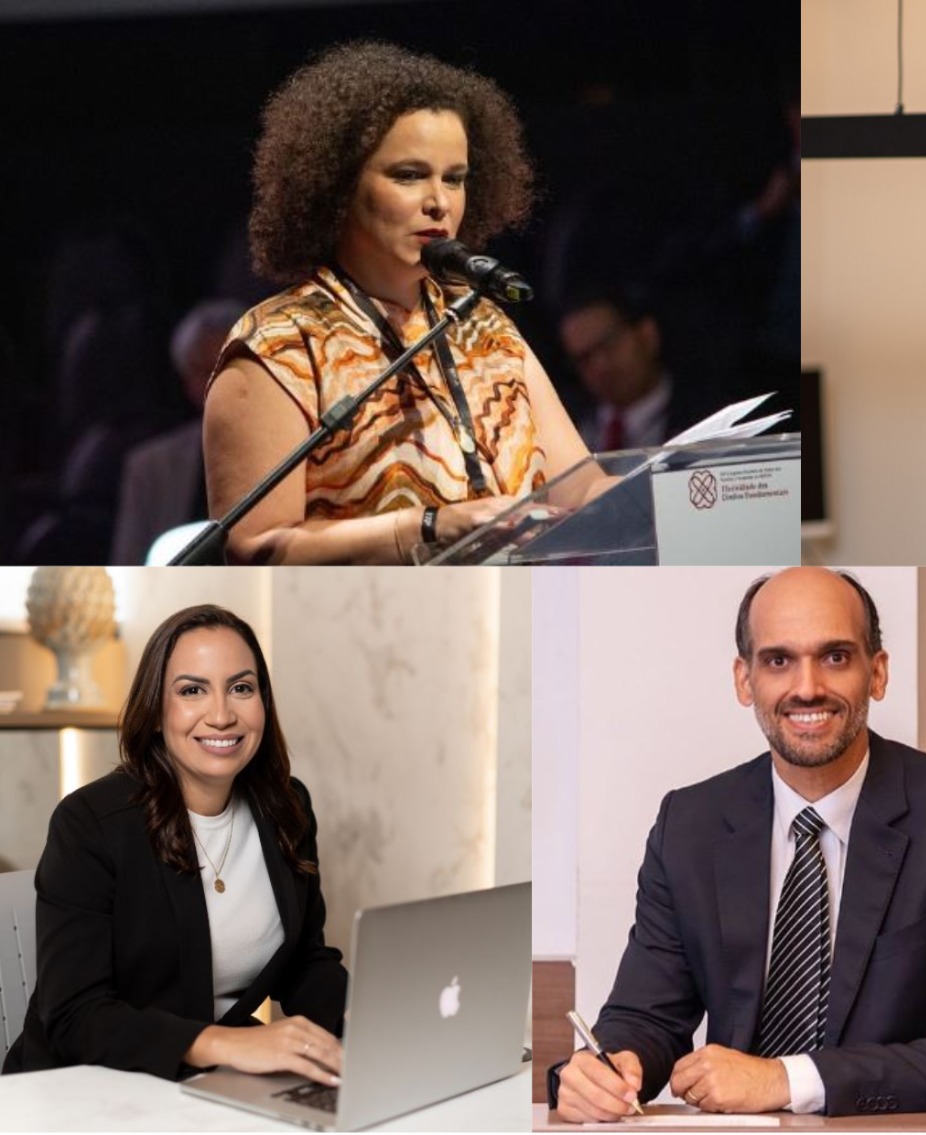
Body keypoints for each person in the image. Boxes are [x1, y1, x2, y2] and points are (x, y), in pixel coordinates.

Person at [552, 567, 926, 1119]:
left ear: (877, 673)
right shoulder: (688, 824)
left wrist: (784, 1080)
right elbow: (648, 1016)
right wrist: (607, 1068)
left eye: (835, 656)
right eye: (778, 660)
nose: (807, 687)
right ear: (745, 680)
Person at [205, 42, 602, 564]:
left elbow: (581, 488)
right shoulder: (279, 347)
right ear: (339, 185)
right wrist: (428, 526)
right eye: (409, 175)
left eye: (455, 179)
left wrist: (670, 495)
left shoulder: (484, 324)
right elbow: (255, 548)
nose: (439, 201)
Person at [2, 605, 346, 1085]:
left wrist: (375, 1028)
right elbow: (76, 1017)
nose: (222, 715)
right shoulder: (90, 824)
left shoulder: (286, 808)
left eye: (241, 688)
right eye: (192, 691)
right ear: (157, 713)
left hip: (207, 1082)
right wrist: (227, 1043)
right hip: (82, 1088)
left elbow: (304, 963)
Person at [112, 298, 246, 564]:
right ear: (187, 381)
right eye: (204, 370)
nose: (217, 381)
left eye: (229, 365)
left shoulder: (301, 452)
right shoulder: (150, 466)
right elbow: (128, 567)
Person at [558, 291, 715, 452]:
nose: (600, 366)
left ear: (647, 335)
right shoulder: (564, 428)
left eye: (609, 344)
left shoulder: (711, 418)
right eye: (584, 358)